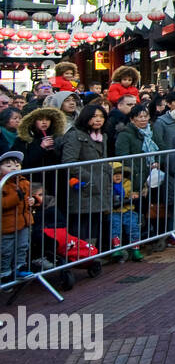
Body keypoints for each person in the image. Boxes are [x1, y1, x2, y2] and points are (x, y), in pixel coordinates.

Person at [61, 102, 113, 254]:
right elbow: (69, 162)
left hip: (100, 186)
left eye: (101, 116)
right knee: (81, 226)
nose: (98, 120)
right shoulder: (75, 135)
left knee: (95, 225)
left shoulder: (102, 136)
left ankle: (91, 253)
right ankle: (79, 255)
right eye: (94, 116)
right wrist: (88, 178)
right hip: (83, 188)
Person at [0, 151, 34, 284]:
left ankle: (20, 268)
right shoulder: (2, 185)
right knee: (6, 250)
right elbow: (2, 204)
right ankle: (4, 274)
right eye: (8, 166)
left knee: (23, 246)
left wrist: (33, 201)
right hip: (7, 225)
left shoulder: (24, 182)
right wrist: (16, 197)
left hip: (24, 222)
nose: (14, 168)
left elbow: (28, 198)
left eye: (17, 165)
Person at [108, 162, 145, 261]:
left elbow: (131, 193)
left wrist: (133, 195)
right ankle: (116, 248)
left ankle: (136, 250)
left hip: (128, 209)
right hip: (114, 211)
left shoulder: (127, 183)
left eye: (119, 173)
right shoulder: (107, 186)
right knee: (115, 225)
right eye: (114, 174)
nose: (117, 176)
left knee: (133, 225)